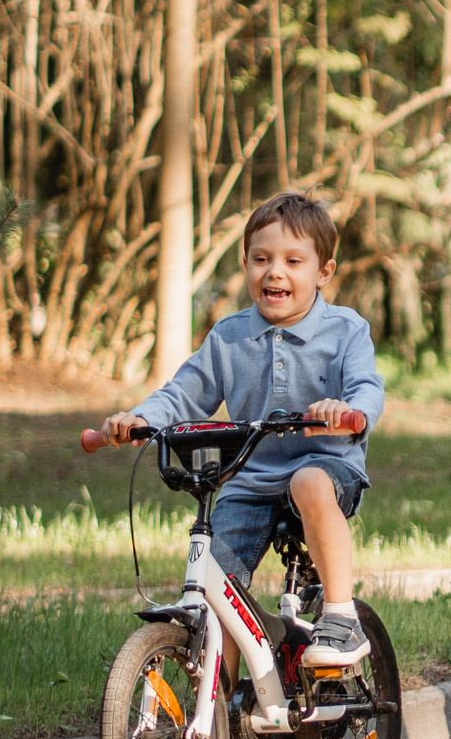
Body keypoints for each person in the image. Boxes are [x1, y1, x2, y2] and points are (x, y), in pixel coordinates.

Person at [98, 191, 386, 667]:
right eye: (261, 259)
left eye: (294, 260)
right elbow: (183, 393)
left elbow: (367, 388)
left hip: (327, 469)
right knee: (215, 593)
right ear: (246, 265)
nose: (275, 271)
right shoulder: (229, 336)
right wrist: (141, 418)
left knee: (308, 481)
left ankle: (341, 615)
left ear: (324, 273)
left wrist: (350, 409)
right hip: (250, 482)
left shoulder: (345, 330)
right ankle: (220, 715)